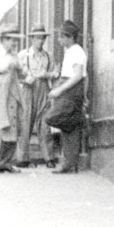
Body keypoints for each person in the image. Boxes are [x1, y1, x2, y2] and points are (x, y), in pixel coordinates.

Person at [47, 20, 87, 174]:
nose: (59, 40)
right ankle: (69, 163)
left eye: (62, 37)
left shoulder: (77, 52)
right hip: (69, 89)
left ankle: (69, 162)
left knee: (52, 118)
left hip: (71, 91)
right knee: (67, 127)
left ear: (70, 37)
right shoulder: (70, 51)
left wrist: (59, 90)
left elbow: (78, 76)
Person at [17, 24, 57, 168]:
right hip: (28, 90)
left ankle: (49, 158)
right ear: (32, 39)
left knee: (44, 124)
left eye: (43, 38)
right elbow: (16, 74)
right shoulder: (23, 55)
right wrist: (25, 79)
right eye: (38, 38)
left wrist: (47, 74)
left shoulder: (48, 56)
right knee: (26, 122)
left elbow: (55, 73)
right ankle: (22, 158)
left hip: (43, 89)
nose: (40, 41)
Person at [0, 23, 25, 175]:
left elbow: (21, 73)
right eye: (12, 40)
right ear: (3, 40)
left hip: (11, 94)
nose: (14, 43)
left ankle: (5, 162)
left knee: (12, 126)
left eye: (16, 40)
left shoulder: (14, 55)